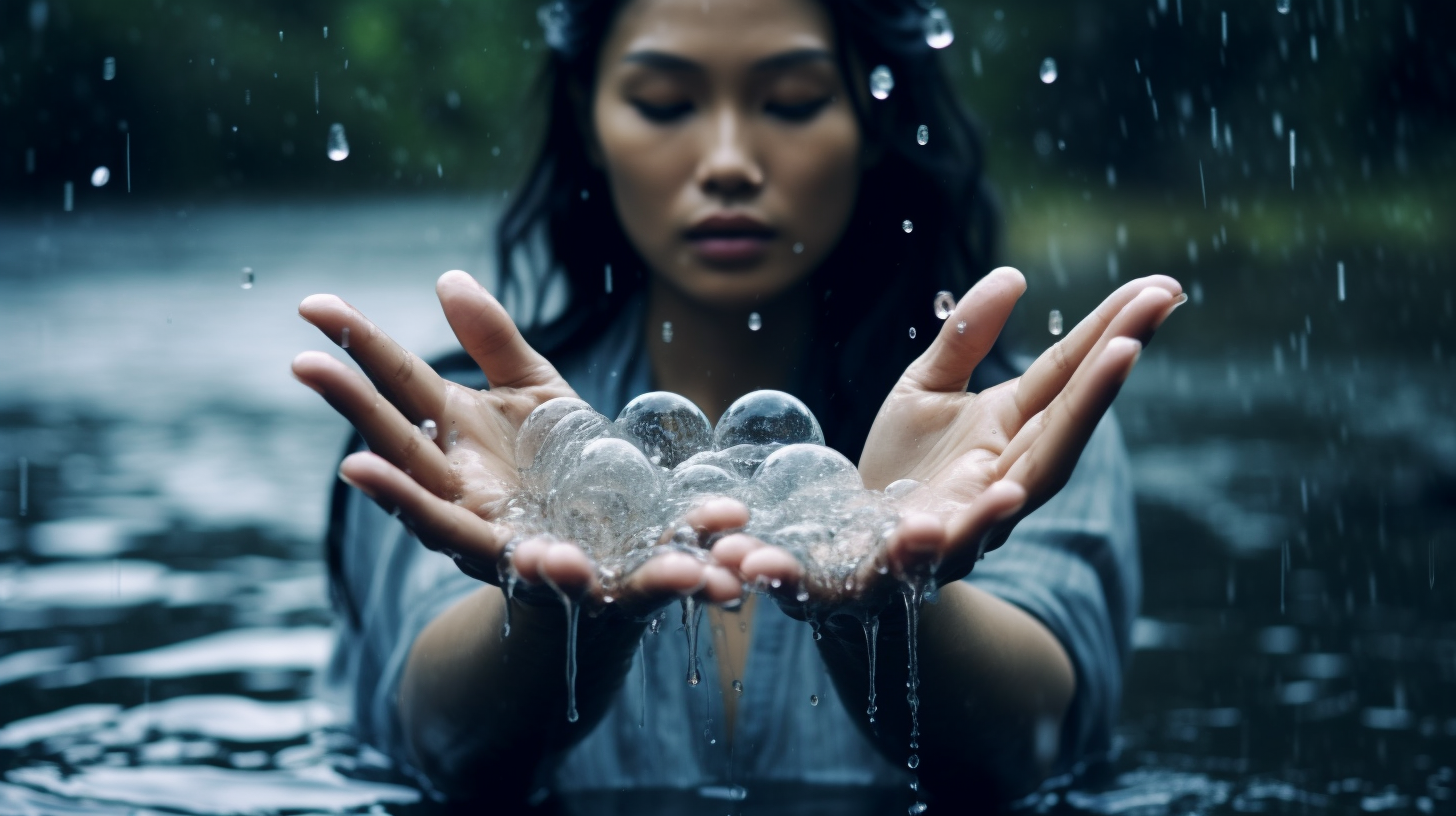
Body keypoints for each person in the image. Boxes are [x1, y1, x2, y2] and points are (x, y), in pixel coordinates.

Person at [290, 0, 1182, 808]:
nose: (727, 162)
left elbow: (1030, 745)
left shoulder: (1007, 434)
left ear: (871, 118)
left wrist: (886, 611)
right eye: (665, 104)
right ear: (590, 121)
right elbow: (435, 741)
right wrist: (559, 616)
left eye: (790, 101)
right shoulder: (464, 439)